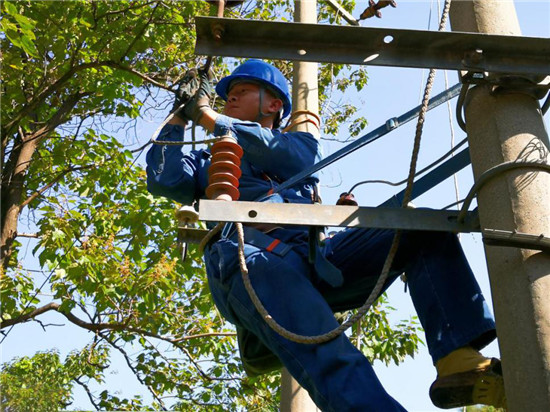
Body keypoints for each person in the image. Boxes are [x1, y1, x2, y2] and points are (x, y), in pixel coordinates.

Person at [146, 59, 506, 411]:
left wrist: (210, 117)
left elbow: (288, 157)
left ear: (274, 104)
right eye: (227, 97)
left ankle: (458, 361)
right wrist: (180, 115)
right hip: (252, 257)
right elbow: (165, 178)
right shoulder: (208, 162)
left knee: (420, 228)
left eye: (241, 91)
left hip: (316, 258)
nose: (230, 100)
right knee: (331, 353)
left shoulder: (299, 145)